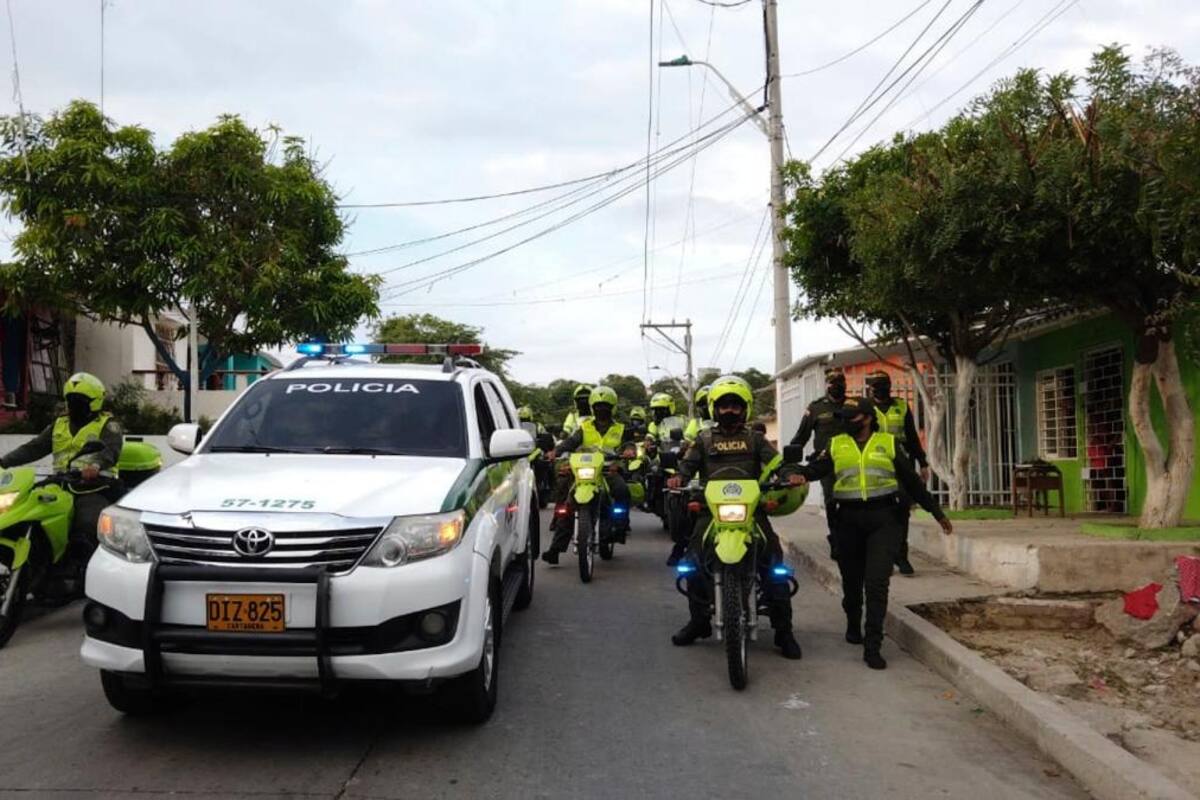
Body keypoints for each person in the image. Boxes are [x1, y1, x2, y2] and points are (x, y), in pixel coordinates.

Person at [797, 400, 952, 670]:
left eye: (852, 416)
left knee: (877, 583)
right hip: (847, 520)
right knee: (852, 582)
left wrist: (937, 513)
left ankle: (873, 646)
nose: (846, 421)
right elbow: (816, 470)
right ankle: (853, 622)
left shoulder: (888, 443)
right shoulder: (835, 444)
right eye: (843, 417)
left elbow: (913, 482)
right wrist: (797, 475)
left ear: (867, 418)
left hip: (884, 520)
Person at [668, 375, 805, 660]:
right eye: (723, 405)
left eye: (735, 405)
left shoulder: (756, 439)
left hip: (751, 512)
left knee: (774, 563)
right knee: (692, 561)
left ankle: (784, 631)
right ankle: (699, 621)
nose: (729, 410)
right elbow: (686, 467)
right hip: (711, 512)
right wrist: (678, 478)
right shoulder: (703, 441)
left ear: (745, 408)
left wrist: (787, 475)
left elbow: (778, 463)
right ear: (714, 409)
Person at [0, 372, 123, 591]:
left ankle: (90, 573)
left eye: (79, 401)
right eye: (71, 400)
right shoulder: (59, 424)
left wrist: (94, 466)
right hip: (60, 482)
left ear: (93, 402)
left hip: (94, 485)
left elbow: (111, 450)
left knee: (87, 521)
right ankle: (41, 555)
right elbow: (34, 448)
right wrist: (3, 462)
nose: (73, 406)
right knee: (29, 505)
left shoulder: (107, 424)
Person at [542, 385, 635, 565]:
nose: (601, 410)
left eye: (605, 406)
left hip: (609, 471)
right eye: (598, 406)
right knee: (567, 507)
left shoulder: (622, 429)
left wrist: (630, 451)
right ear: (593, 408)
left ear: (612, 408)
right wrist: (555, 451)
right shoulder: (584, 428)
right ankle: (555, 549)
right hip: (586, 472)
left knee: (623, 490)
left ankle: (620, 528)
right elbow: (570, 442)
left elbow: (629, 444)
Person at [789, 366, 861, 559]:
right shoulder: (816, 408)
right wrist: (790, 459)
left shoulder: (853, 406)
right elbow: (801, 436)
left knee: (854, 500)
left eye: (840, 383)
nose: (837, 386)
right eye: (833, 383)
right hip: (826, 463)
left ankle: (852, 539)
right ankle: (836, 539)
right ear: (827, 385)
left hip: (852, 461)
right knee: (832, 501)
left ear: (845, 385)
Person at [866, 369, 930, 576]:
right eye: (876, 385)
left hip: (901, 463)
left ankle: (901, 555)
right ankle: (882, 555)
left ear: (890, 386)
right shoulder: (865, 408)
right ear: (870, 388)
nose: (880, 388)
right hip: (874, 465)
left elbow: (911, 436)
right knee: (879, 512)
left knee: (902, 510)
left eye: (883, 384)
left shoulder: (901, 407)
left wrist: (922, 462)